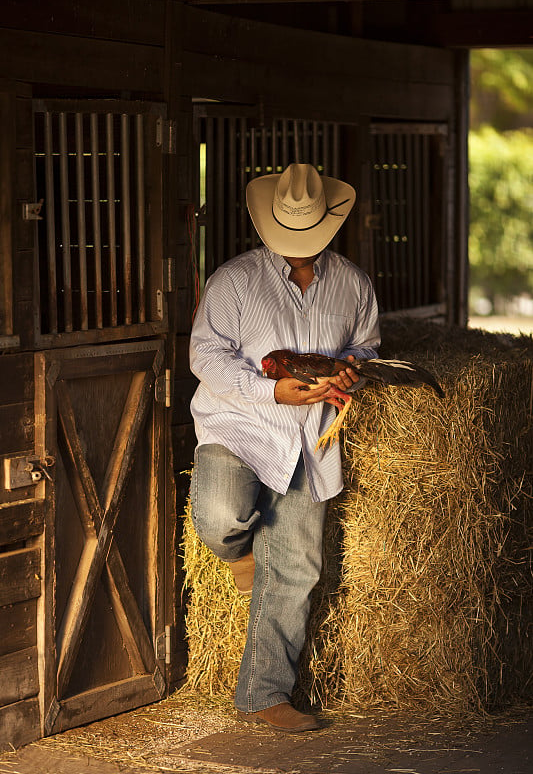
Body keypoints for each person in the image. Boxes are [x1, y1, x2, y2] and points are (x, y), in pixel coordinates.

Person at [189, 163, 380, 732]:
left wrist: (351, 372)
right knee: (219, 517)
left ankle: (266, 695)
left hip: (309, 439)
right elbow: (205, 356)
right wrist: (270, 390)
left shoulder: (354, 284)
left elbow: (366, 347)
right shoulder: (234, 281)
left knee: (297, 566)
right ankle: (242, 559)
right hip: (239, 425)